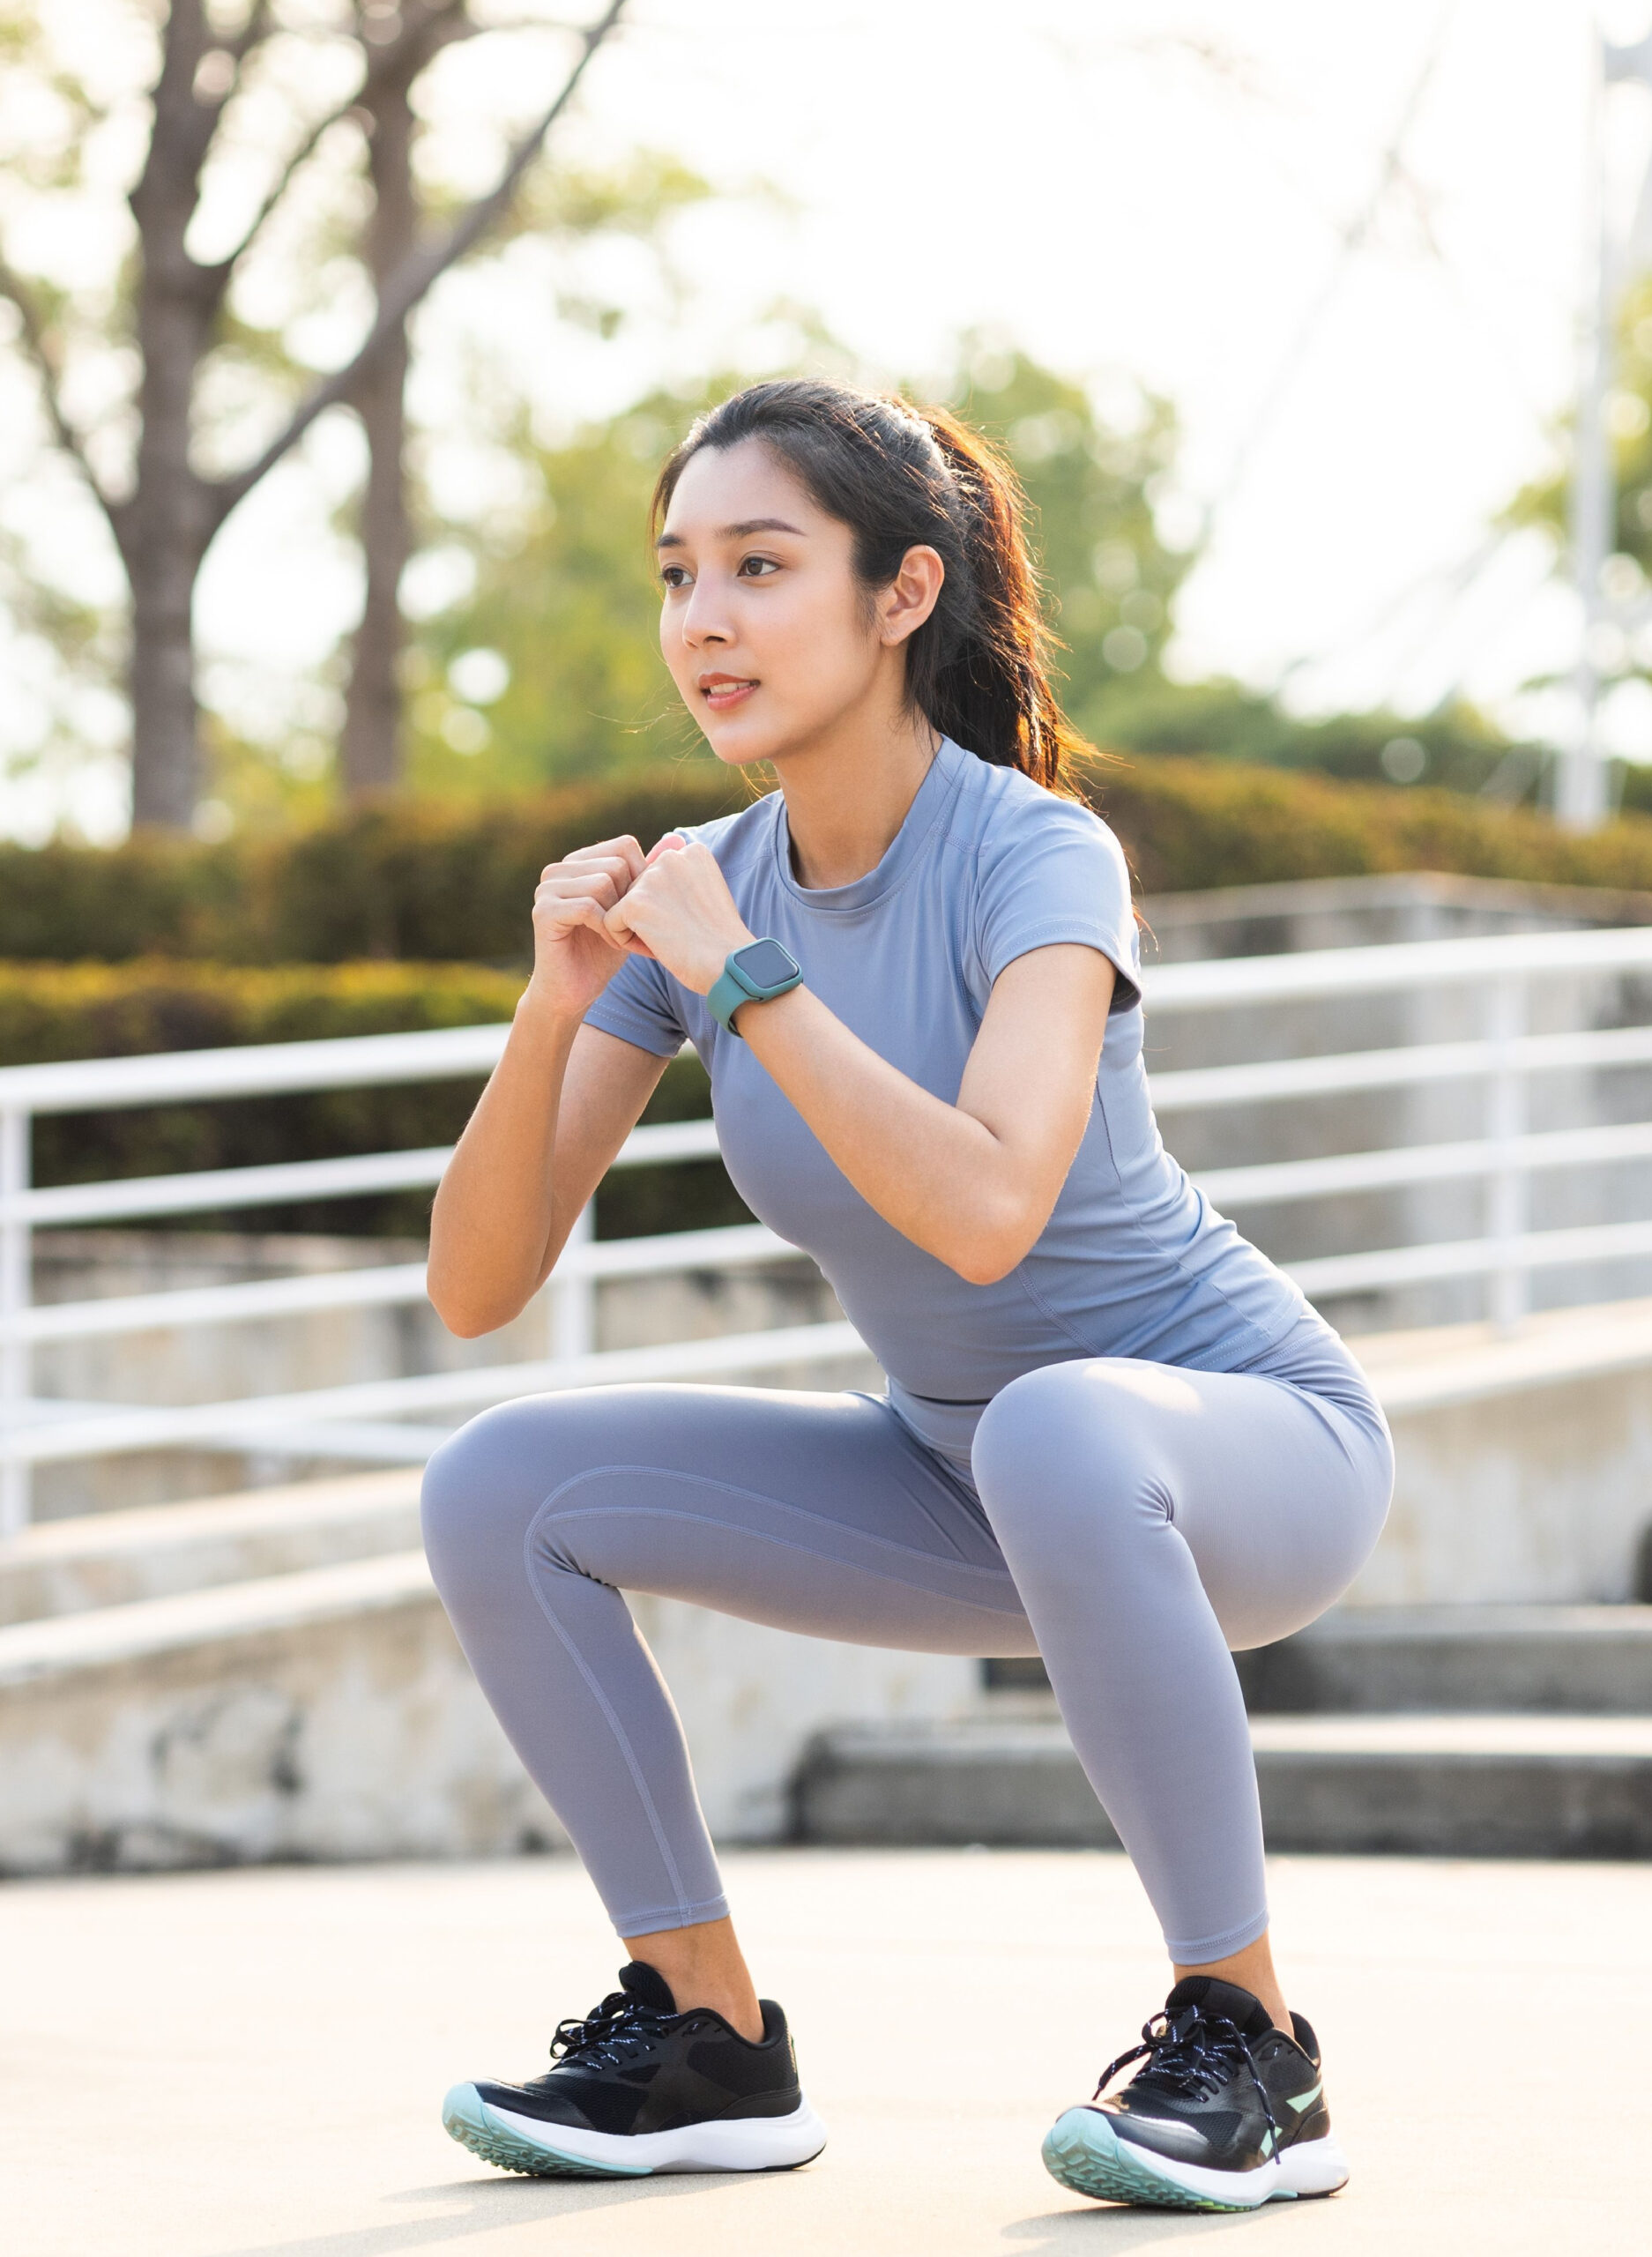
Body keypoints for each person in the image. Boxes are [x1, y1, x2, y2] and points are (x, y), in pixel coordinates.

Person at [417, 377, 1393, 2211]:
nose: (701, 619)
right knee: (495, 1478)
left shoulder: (1031, 852)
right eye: (677, 572)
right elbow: (479, 1283)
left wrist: (750, 975)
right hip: (967, 1474)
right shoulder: (706, 897)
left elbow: (983, 1215)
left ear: (899, 593)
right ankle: (703, 2032)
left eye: (760, 565)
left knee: (1059, 1424)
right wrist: (556, 999)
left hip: (1238, 1452)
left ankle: (1249, 2041)